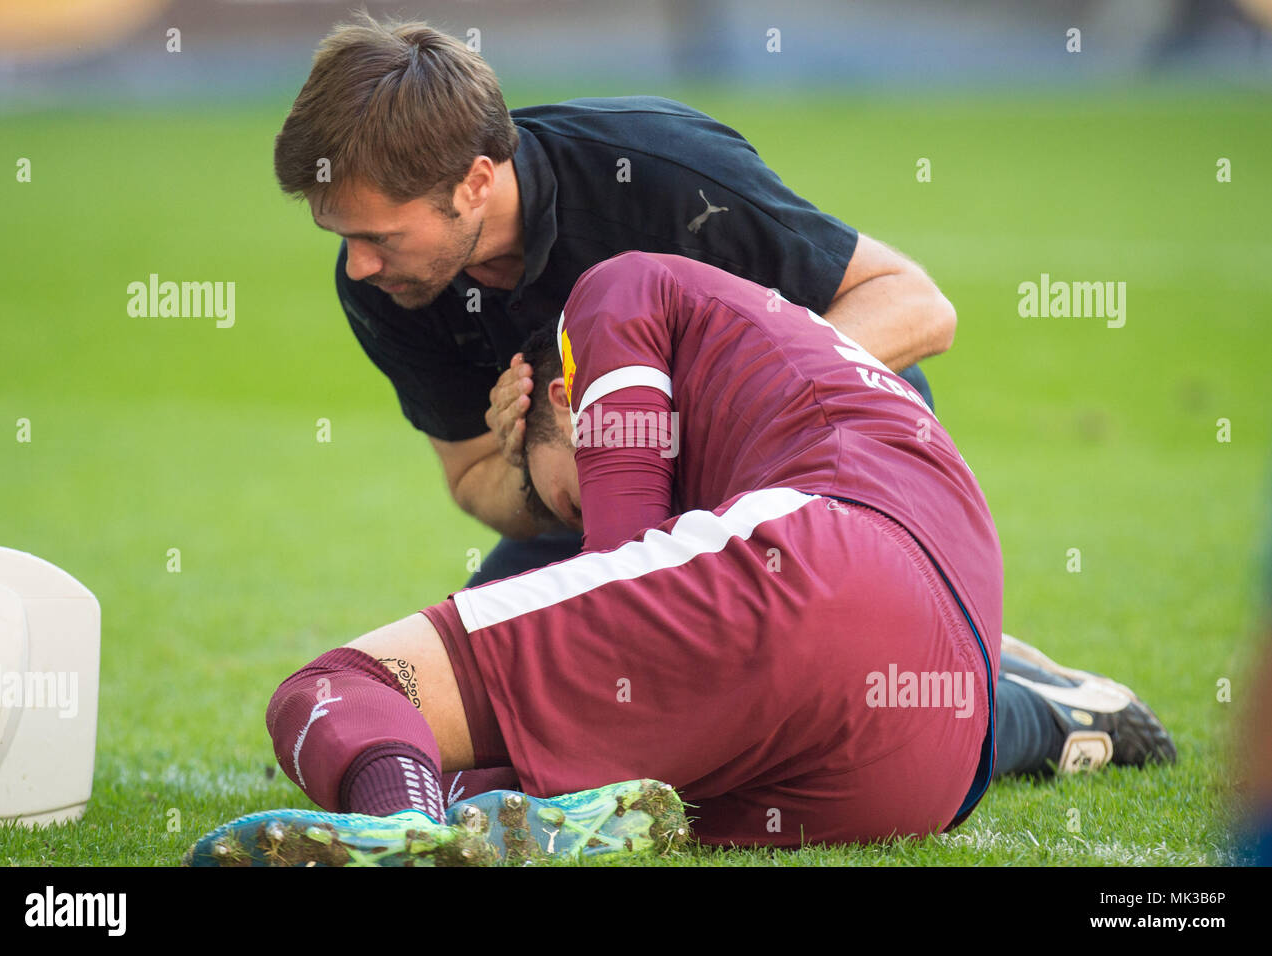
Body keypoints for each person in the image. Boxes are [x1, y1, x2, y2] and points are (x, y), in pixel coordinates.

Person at [268, 14, 1174, 810]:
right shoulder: (389, 288)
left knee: (667, 696)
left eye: (375, 236)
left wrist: (694, 413)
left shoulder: (654, 171)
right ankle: (996, 694)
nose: (357, 268)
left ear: (473, 181)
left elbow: (916, 304)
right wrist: (531, 461)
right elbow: (474, 480)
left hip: (813, 483)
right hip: (598, 510)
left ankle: (981, 683)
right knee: (491, 716)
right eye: (341, 238)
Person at [189, 253, 1170, 868]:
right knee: (556, 755)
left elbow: (622, 550)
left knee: (336, 685)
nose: (565, 530)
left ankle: (407, 827)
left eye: (555, 498)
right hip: (933, 753)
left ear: (560, 399)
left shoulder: (611, 294)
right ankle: (1059, 713)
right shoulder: (784, 371)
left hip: (829, 567)